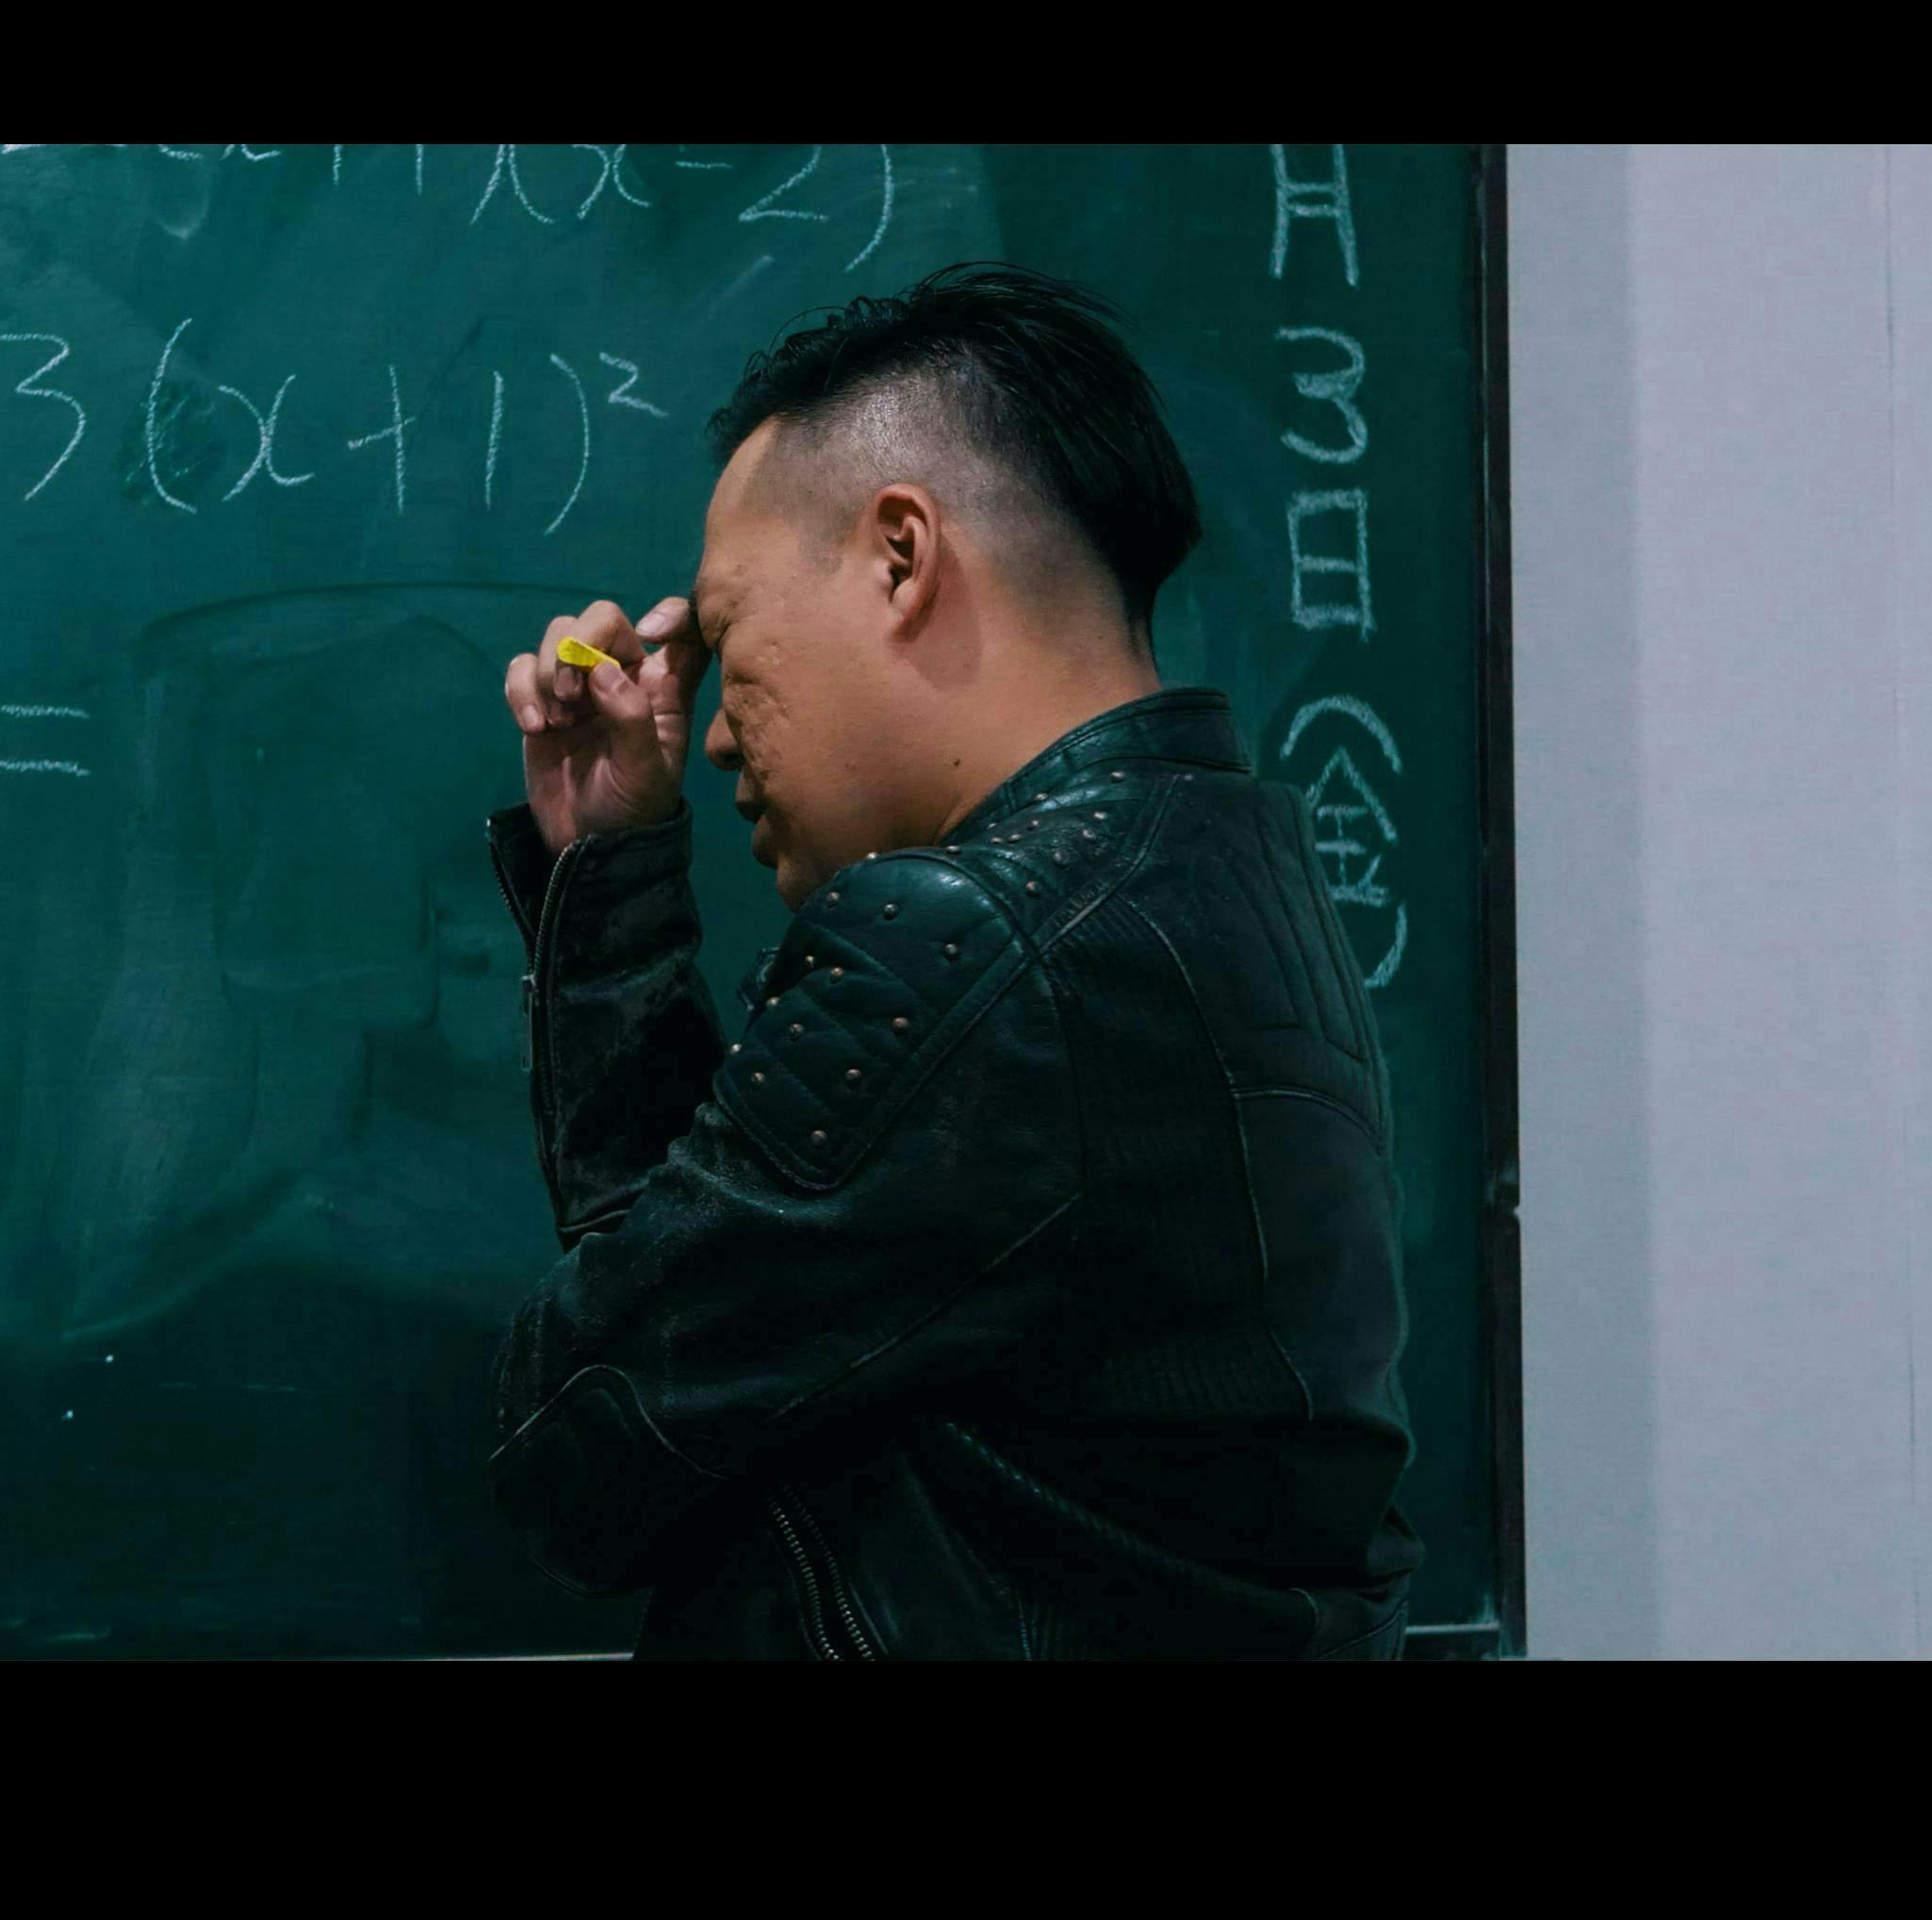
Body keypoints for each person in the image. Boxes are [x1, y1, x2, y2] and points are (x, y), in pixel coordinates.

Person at [484, 263, 1421, 1659]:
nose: (717, 733)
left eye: (729, 640)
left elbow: (582, 1448)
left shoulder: (975, 951)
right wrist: (607, 867)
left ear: (900, 556)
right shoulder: (1234, 875)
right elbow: (703, 1341)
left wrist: (608, 905)